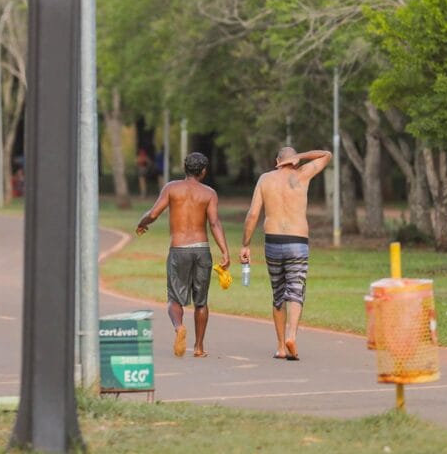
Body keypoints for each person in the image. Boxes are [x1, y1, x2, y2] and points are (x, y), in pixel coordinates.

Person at [240, 146, 332, 361]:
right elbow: (327, 155)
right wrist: (300, 157)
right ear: (293, 162)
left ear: (277, 160)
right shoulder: (303, 174)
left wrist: (245, 245)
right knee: (296, 289)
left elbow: (253, 214)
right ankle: (292, 335)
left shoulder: (265, 179)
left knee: (278, 293)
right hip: (297, 241)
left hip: (272, 241)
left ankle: (281, 347)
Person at [136, 152, 231, 358]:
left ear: (184, 168)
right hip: (202, 249)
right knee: (201, 301)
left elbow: (153, 213)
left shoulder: (171, 188)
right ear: (203, 171)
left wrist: (142, 223)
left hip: (179, 249)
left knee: (174, 299)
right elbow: (214, 223)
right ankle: (198, 348)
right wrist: (225, 250)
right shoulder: (209, 193)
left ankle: (179, 327)